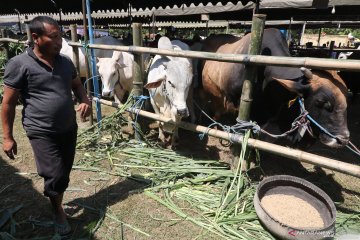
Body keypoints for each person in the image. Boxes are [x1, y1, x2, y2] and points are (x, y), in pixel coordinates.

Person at [1, 16, 91, 235]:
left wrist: (84, 100)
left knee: (65, 171)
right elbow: (8, 103)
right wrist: (7, 136)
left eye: (60, 36)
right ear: (36, 38)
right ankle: (58, 210)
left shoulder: (65, 62)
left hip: (68, 127)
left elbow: (77, 85)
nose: (60, 41)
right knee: (54, 174)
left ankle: (56, 195)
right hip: (40, 130)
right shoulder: (19, 65)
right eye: (54, 37)